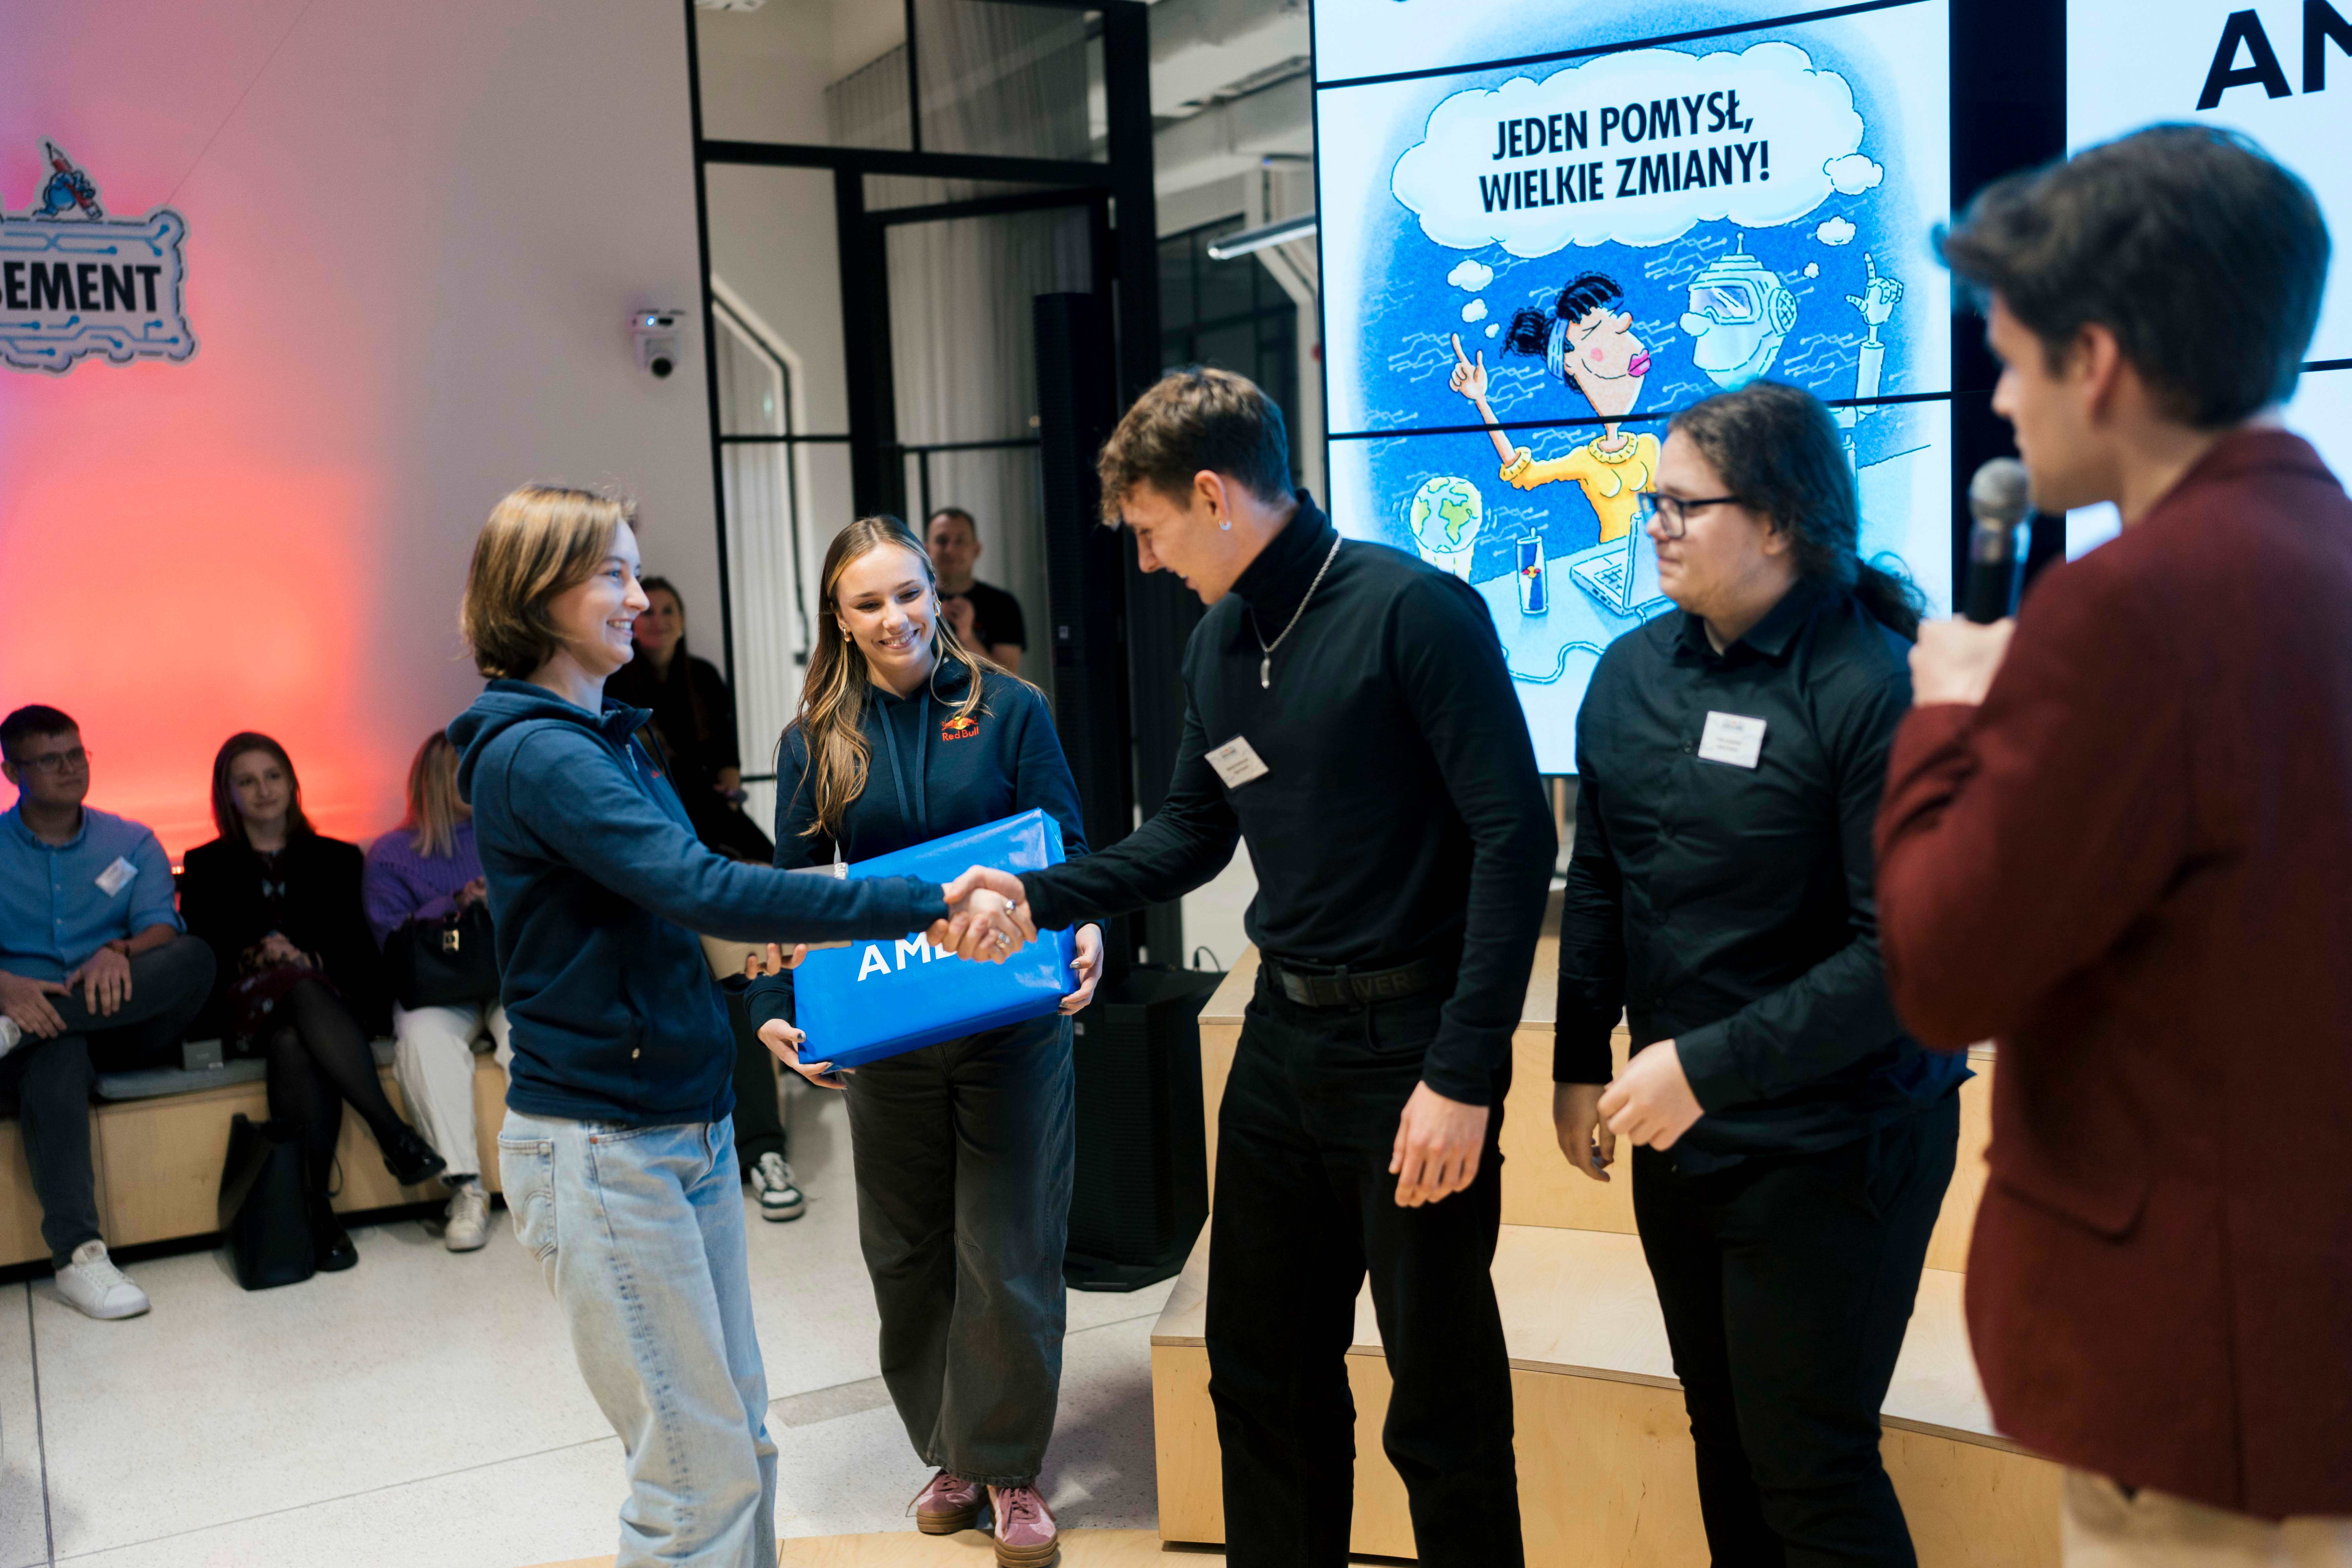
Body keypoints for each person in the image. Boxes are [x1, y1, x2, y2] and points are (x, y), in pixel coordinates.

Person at [969, 368, 1555, 1567]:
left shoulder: (1415, 613)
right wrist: (1038, 893)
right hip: (1281, 1045)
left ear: (1211, 494)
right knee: (1258, 1373)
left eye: (1149, 530)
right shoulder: (1219, 642)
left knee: (1439, 1397)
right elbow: (1190, 833)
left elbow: (1515, 842)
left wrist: (1463, 1072)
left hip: (1413, 1053)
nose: (1145, 560)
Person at [1875, 125, 2352, 1562]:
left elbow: (1944, 969)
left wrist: (1947, 716)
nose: (2001, 401)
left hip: (2201, 1377)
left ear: (2095, 361)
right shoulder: (2323, 552)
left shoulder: (2131, 609)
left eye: (2013, 360)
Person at [447, 483, 1026, 1568]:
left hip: (680, 1123)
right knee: (693, 1478)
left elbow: (689, 899)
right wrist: (923, 900)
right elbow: (706, 886)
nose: (639, 600)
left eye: (635, 573)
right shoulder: (541, 754)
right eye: (613, 575)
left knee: (736, 1447)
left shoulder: (608, 736)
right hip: (607, 1144)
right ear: (537, 592)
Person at [1552, 379, 1967, 1564]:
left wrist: (1702, 1068)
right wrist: (1577, 1061)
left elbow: (1901, 959)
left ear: (1779, 521)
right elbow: (1601, 881)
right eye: (1653, 501)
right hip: (1685, 1136)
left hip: (1838, 1142)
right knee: (1724, 1438)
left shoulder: (1880, 687)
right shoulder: (1627, 671)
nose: (1654, 524)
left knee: (1808, 1463)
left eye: (1683, 505)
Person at [742, 515, 1102, 1567]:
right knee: (906, 1256)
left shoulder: (1010, 709)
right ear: (839, 618)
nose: (896, 617)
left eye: (909, 594)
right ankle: (950, 1452)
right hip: (887, 1035)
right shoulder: (813, 741)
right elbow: (793, 894)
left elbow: (1067, 852)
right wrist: (778, 1007)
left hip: (1010, 1025)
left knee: (1008, 1248)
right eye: (869, 603)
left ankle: (1008, 1465)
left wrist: (1086, 927)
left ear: (935, 595)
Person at [183, 732, 446, 1271]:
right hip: (243, 1008)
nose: (264, 790)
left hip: (326, 1005)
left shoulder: (338, 858)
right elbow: (204, 957)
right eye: (247, 781)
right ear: (226, 794)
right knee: (294, 989)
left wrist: (309, 959)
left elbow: (361, 953)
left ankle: (316, 1212)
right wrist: (258, 956)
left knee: (295, 1041)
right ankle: (391, 1132)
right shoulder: (204, 863)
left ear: (292, 783)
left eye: (273, 776)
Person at [0, 705, 215, 1320]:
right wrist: (6, 987)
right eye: (50, 759)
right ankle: (80, 1259)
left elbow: (160, 927)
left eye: (77, 754)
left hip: (120, 1018)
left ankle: (16, 1031)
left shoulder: (131, 841)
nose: (70, 768)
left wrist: (118, 951)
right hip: (32, 1031)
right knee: (59, 1055)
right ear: (13, 771)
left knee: (194, 956)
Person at [603, 578, 802, 1222]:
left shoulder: (701, 683)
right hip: (652, 889)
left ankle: (765, 1144)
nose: (650, 617)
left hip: (708, 840)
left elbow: (722, 775)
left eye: (666, 608)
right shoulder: (607, 711)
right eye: (642, 609)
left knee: (746, 965)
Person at [362, 731, 509, 1253]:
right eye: (463, 769)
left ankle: (550, 1177)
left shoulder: (509, 831)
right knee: (423, 1041)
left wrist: (500, 899)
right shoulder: (391, 854)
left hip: (508, 972)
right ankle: (466, 1188)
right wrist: (454, 903)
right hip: (437, 985)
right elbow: (389, 937)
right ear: (434, 780)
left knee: (535, 1031)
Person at [1448, 272, 1660, 545]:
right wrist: (1481, 401)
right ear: (1570, 363)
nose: (1625, 329)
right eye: (1601, 334)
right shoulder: (1586, 461)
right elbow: (1524, 473)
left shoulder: (1650, 447)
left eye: (1618, 325)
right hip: (1612, 561)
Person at [925, 507, 1026, 673]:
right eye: (942, 541)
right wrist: (934, 622)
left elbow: (1009, 678)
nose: (951, 550)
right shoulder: (914, 602)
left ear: (976, 550)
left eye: (960, 541)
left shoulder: (1003, 605)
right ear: (927, 550)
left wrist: (967, 636)